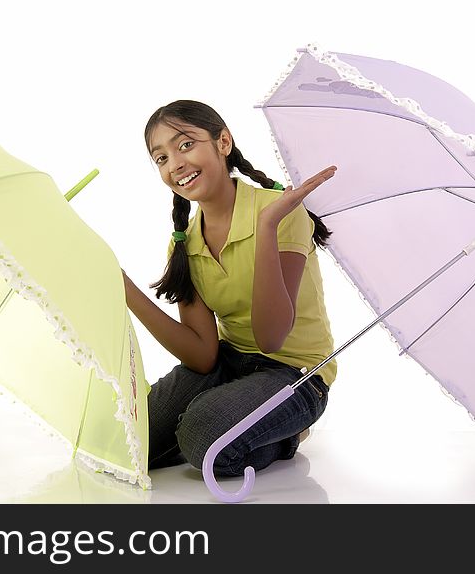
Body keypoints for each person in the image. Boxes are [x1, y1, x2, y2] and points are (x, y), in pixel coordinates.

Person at [121, 99, 337, 478]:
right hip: (228, 362)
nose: (175, 164)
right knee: (130, 439)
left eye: (185, 144)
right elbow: (203, 357)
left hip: (295, 376)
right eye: (161, 158)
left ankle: (291, 434)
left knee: (203, 440)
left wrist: (267, 228)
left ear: (223, 143)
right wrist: (124, 289)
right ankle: (226, 409)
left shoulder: (282, 212)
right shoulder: (184, 242)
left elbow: (271, 339)